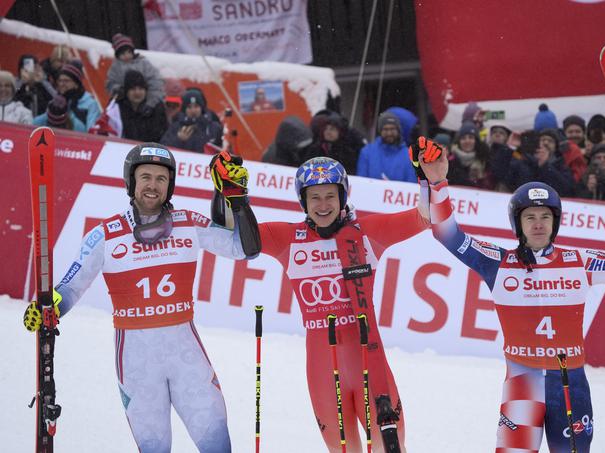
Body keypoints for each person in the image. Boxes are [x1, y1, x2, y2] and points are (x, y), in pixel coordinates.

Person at [415, 137, 605, 452]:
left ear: (555, 221)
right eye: (530, 217)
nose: (538, 224)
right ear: (518, 223)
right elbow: (446, 234)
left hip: (569, 386)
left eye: (545, 216)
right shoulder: (496, 262)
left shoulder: (580, 262)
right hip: (522, 386)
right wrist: (436, 183)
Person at [23, 143, 262, 453]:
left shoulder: (188, 222)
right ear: (131, 182)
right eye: (145, 177)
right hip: (137, 362)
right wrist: (49, 307)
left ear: (170, 185)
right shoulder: (105, 235)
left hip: (186, 356)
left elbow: (245, 249)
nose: (153, 185)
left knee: (217, 444)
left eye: (161, 179)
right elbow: (70, 287)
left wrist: (238, 200)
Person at [212, 155, 431, 452]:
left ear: (343, 196)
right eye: (314, 197)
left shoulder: (367, 233)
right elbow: (231, 237)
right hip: (323, 372)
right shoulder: (286, 238)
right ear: (303, 201)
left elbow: (426, 217)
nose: (323, 204)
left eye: (330, 195)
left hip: (370, 365)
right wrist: (228, 192)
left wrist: (430, 179)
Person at [106, 33, 165, 107]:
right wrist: (118, 90)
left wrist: (150, 103)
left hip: (146, 101)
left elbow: (155, 82)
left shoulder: (143, 64)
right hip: (125, 104)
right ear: (117, 56)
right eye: (123, 53)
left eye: (129, 52)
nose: (126, 56)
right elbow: (111, 84)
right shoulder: (115, 68)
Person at [357, 110, 417, 182]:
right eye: (385, 129)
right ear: (380, 131)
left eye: (392, 129)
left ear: (398, 130)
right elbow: (361, 181)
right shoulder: (367, 152)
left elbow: (411, 184)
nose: (389, 133)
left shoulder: (410, 155)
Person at [161, 89, 222, 153]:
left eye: (196, 106)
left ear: (202, 108)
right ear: (184, 109)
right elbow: (163, 149)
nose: (193, 110)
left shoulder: (213, 127)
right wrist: (179, 140)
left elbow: (223, 150)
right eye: (189, 107)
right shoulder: (176, 127)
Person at [116, 70, 167, 142]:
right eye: (133, 89)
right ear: (126, 91)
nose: (137, 92)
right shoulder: (117, 108)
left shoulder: (156, 108)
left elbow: (163, 135)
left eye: (141, 88)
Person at [445, 121, 495, 190]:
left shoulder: (485, 160)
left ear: (476, 140)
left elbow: (490, 185)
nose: (467, 141)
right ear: (459, 141)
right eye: (463, 138)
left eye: (471, 137)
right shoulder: (450, 162)